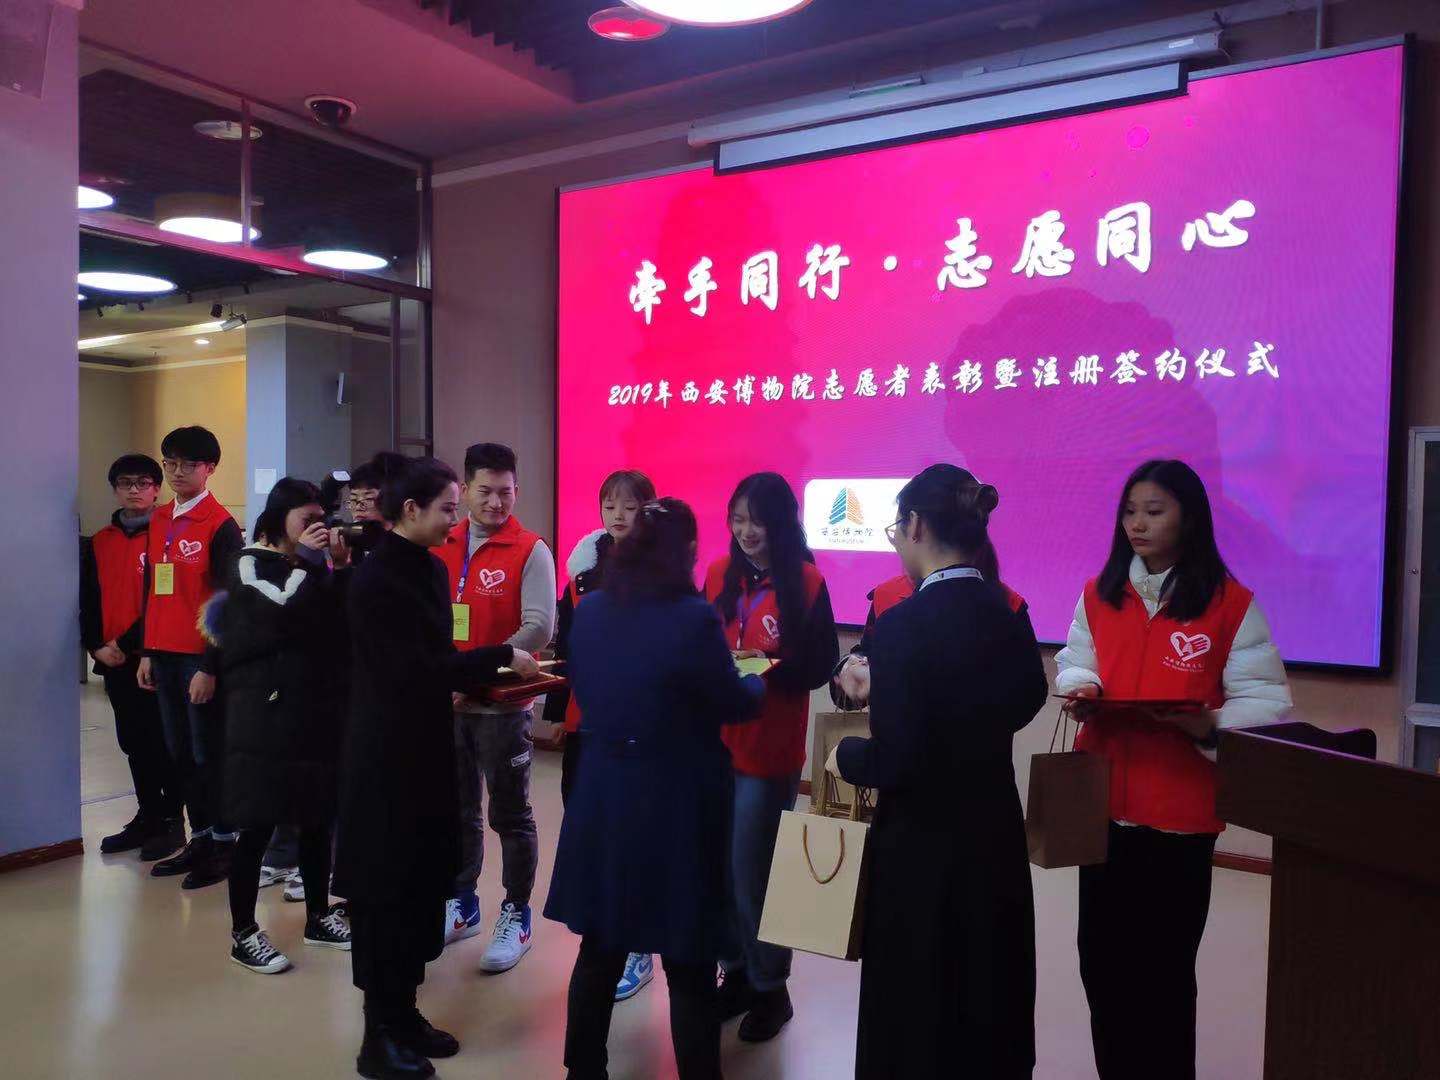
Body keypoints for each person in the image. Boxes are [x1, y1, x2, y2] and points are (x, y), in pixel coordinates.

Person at [1054, 459, 1291, 1080]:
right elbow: (1076, 660)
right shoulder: (1098, 594)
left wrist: (1207, 725)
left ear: (1189, 519)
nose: (1137, 524)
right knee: (1101, 966)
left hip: (1179, 818)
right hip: (1102, 809)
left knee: (1163, 975)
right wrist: (1081, 687)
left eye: (1154, 511)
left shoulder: (1230, 603)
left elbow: (1266, 703)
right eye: (1129, 512)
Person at [826, 464, 1047, 1078]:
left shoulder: (901, 627)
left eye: (897, 528)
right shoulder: (1008, 613)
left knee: (915, 1006)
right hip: (993, 837)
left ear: (917, 526)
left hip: (920, 851)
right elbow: (1028, 698)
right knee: (986, 995)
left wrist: (846, 757)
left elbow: (897, 759)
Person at [333, 457, 539, 1080]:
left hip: (425, 746)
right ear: (410, 510)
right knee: (386, 894)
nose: (458, 519)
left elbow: (439, 654)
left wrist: (488, 671)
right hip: (384, 757)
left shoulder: (427, 567)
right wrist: (500, 657)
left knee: (424, 882)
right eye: (449, 508)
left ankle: (404, 1012)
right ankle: (377, 1034)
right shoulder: (374, 580)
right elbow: (414, 670)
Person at [546, 498, 765, 1080]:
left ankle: (582, 1070)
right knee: (688, 957)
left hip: (605, 791)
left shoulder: (592, 610)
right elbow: (732, 702)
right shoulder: (692, 618)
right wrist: (757, 682)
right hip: (677, 800)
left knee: (601, 945)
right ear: (688, 552)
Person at [705, 472, 838, 1042]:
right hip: (715, 744)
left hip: (768, 747)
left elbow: (819, 666)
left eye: (757, 520)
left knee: (752, 872)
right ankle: (735, 973)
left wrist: (765, 664)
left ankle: (770, 989)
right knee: (718, 868)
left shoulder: (805, 581)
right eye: (737, 519)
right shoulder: (718, 574)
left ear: (781, 523)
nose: (746, 531)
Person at [206, 479, 353, 974]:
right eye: (306, 519)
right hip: (263, 716)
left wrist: (339, 568)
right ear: (278, 517)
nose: (316, 528)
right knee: (258, 824)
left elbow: (334, 620)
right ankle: (243, 932)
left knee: (316, 819)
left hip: (314, 711)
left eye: (321, 519)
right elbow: (278, 610)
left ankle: (319, 916)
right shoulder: (248, 563)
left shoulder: (310, 567)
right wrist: (310, 563)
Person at [434, 442, 556, 972]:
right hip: (448, 704)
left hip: (502, 708)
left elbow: (539, 627)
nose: (495, 502)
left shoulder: (531, 549)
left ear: (516, 491)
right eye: (485, 491)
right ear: (465, 490)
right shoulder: (442, 541)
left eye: (505, 492)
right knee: (458, 810)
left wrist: (475, 674)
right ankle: (462, 903)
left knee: (510, 814)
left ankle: (516, 913)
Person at [543, 468, 657, 1003]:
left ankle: (638, 946)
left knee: (634, 834)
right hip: (587, 720)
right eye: (609, 504)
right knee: (587, 828)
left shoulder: (661, 568)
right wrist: (556, 710)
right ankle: (603, 934)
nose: (617, 515)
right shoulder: (582, 568)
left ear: (648, 511)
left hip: (638, 725)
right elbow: (568, 644)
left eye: (629, 506)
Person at [138, 425, 244, 890]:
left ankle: (224, 844)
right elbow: (154, 587)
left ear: (210, 469)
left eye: (188, 464)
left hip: (198, 660)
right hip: (162, 654)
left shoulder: (220, 525)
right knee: (180, 754)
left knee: (208, 756)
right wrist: (147, 650)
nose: (177, 471)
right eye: (170, 463)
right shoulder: (160, 518)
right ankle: (199, 839)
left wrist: (209, 666)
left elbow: (227, 603)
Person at [80, 454, 184, 858]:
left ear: (156, 489)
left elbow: (165, 599)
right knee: (132, 742)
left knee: (162, 742)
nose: (135, 490)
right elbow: (89, 598)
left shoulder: (168, 535)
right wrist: (95, 645)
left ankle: (172, 822)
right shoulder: (100, 541)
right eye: (126, 483)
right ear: (115, 489)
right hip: (113, 660)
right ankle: (149, 815)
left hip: (154, 656)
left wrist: (125, 643)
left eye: (143, 483)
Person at [830, 538, 1027, 711]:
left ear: (917, 528)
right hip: (896, 736)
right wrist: (851, 668)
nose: (896, 538)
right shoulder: (887, 594)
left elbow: (1026, 689)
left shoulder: (1008, 603)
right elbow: (870, 652)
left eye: (899, 527)